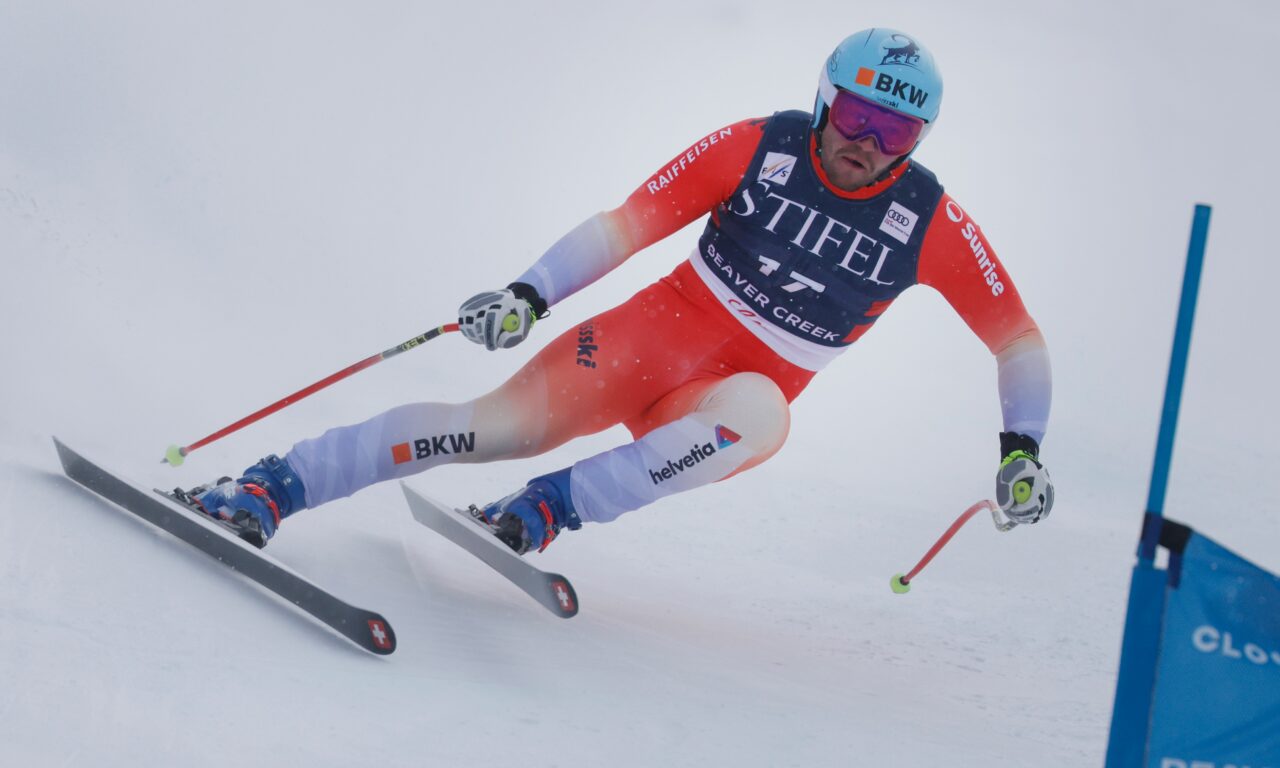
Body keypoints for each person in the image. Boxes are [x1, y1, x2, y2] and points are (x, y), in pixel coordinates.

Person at [185, 27, 1054, 552]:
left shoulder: (930, 220)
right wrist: (529, 293)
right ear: (825, 100)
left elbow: (1018, 340)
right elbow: (627, 223)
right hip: (645, 341)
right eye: (859, 113)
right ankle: (273, 486)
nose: (870, 140)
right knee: (487, 430)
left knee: (763, 418)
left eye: (897, 127)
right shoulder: (759, 145)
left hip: (716, 400)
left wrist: (1022, 453)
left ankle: (550, 510)